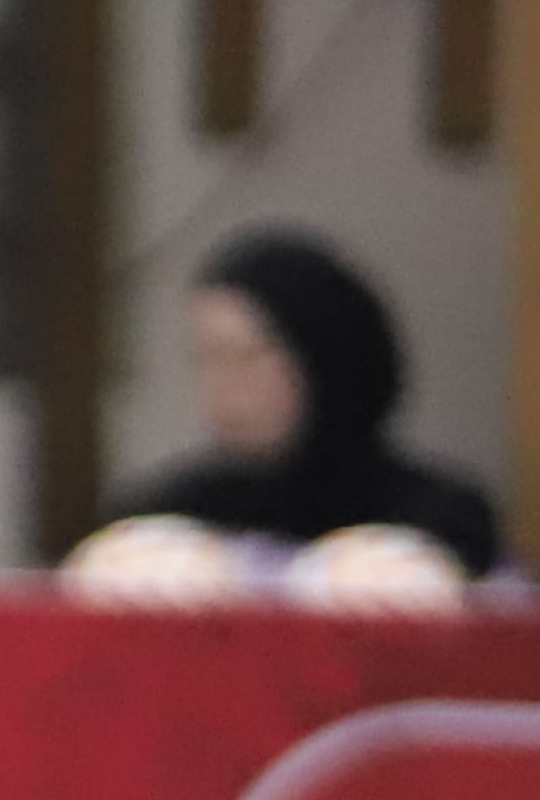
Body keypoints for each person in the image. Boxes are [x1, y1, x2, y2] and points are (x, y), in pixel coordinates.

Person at [89, 222, 503, 581]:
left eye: (245, 356)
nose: (222, 386)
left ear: (324, 359)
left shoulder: (441, 522)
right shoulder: (167, 520)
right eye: (206, 360)